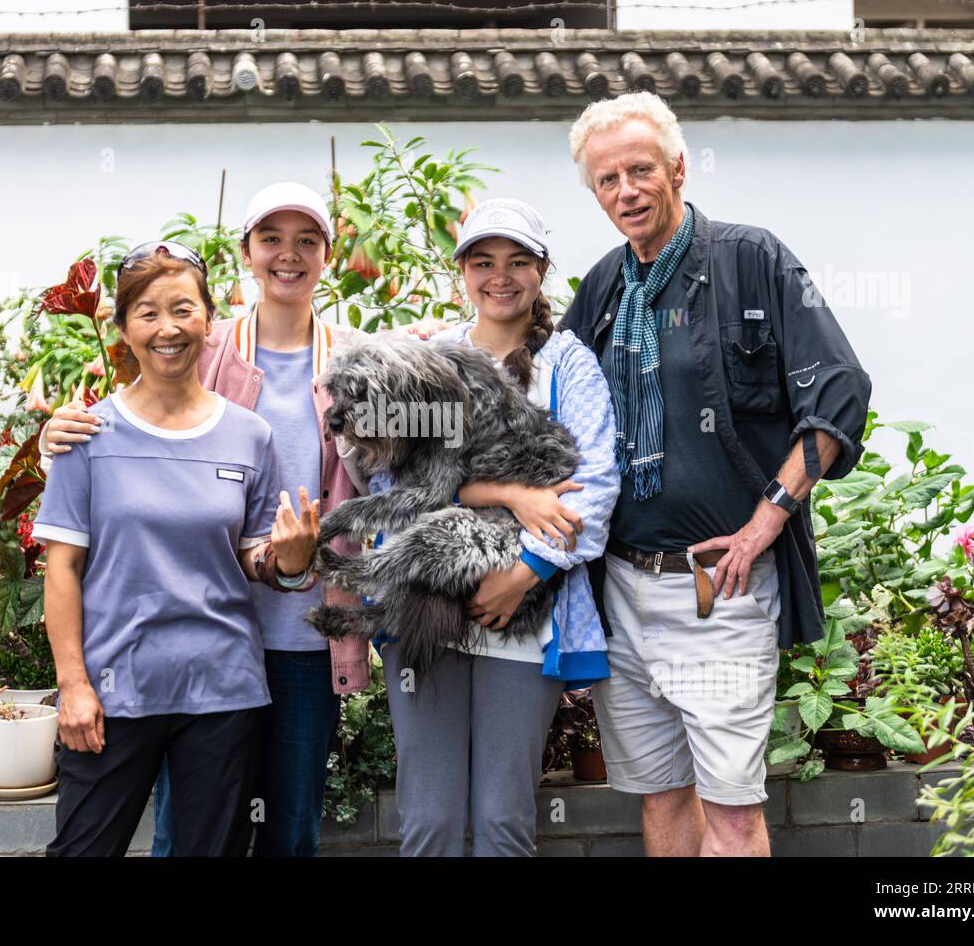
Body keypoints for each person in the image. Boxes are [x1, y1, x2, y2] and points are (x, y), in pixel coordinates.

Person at [559, 92, 872, 856]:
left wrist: (768, 520)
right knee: (661, 799)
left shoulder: (750, 259)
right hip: (623, 585)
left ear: (678, 167)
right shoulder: (603, 287)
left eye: (640, 170)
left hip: (717, 589)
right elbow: (545, 387)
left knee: (731, 812)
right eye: (607, 180)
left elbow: (838, 392)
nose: (626, 191)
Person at [42, 183, 370, 857]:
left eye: (307, 240)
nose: (289, 255)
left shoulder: (360, 360)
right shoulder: (201, 347)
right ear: (246, 254)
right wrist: (56, 434)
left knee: (285, 827)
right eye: (270, 239)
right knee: (171, 836)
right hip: (155, 656)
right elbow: (69, 551)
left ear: (328, 255)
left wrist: (298, 557)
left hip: (283, 642)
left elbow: (437, 393)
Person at [372, 198, 620, 856]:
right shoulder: (431, 362)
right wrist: (516, 492)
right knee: (427, 819)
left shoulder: (570, 367)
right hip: (428, 611)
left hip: (528, 622)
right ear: (463, 271)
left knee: (504, 819)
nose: (500, 276)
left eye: (517, 261)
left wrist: (523, 574)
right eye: (483, 261)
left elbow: (591, 494)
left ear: (542, 269)